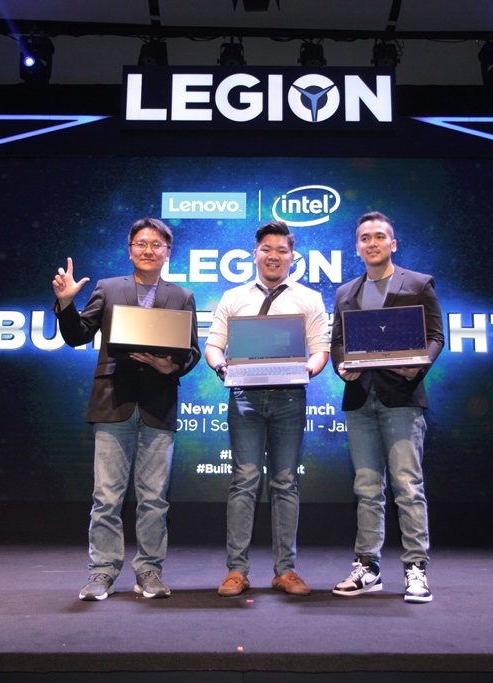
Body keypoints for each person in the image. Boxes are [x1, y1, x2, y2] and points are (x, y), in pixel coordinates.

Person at [52, 217, 201, 601]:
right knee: (106, 497)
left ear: (168, 253)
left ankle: (149, 571)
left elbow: (192, 351)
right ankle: (102, 572)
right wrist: (66, 303)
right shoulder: (108, 287)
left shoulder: (183, 295)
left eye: (156, 245)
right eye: (141, 244)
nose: (148, 250)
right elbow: (76, 335)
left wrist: (171, 366)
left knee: (154, 498)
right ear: (130, 249)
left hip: (158, 405)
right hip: (112, 401)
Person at [205, 220, 329, 597]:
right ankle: (236, 571)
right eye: (266, 249)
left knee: (285, 482)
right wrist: (222, 368)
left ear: (292, 257)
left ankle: (285, 571)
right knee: (244, 480)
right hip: (244, 396)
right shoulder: (233, 297)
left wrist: (307, 369)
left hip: (289, 396)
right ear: (255, 253)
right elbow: (213, 346)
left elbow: (320, 349)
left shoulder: (309, 298)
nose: (274, 256)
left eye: (281, 250)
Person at [329, 211, 444, 603]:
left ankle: (415, 568)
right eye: (365, 238)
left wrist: (418, 366)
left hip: (402, 398)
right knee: (366, 488)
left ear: (392, 244)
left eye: (379, 236)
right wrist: (341, 366)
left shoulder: (418, 283)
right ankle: (368, 567)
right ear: (357, 247)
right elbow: (338, 342)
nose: (372, 243)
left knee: (407, 486)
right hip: (360, 398)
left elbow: (435, 336)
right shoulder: (346, 292)